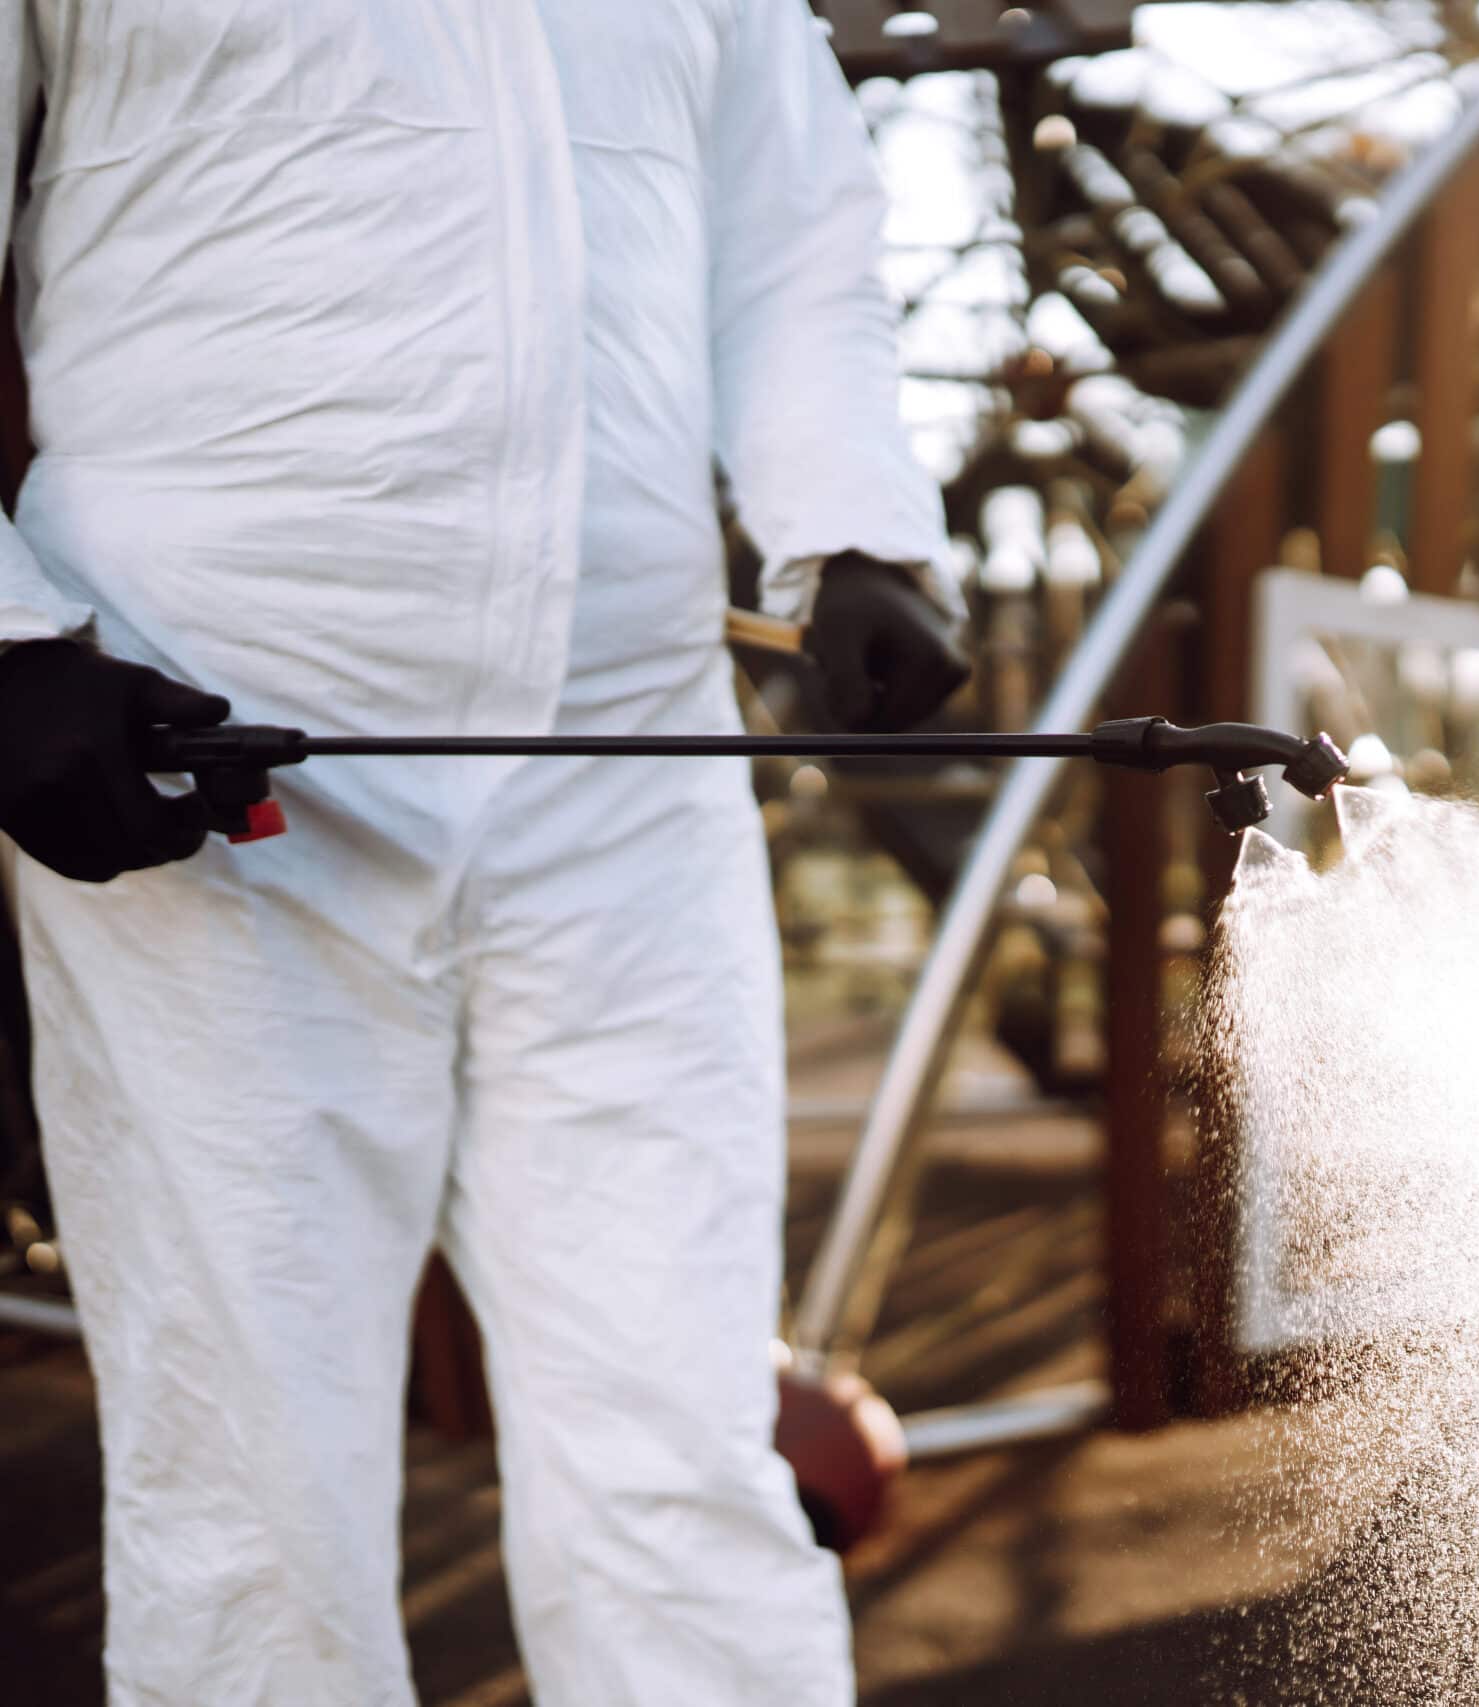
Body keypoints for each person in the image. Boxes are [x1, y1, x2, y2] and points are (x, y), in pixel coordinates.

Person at [0, 5, 968, 1702]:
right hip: (207, 753)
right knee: (249, 1483)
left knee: (682, 1440)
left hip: (629, 766)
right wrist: (4, 646)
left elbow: (793, 231)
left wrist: (859, 522)